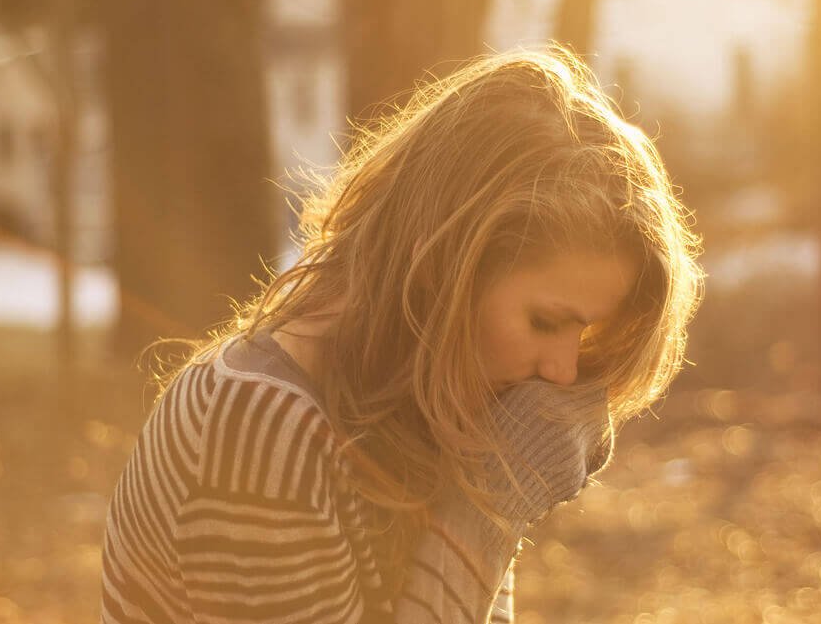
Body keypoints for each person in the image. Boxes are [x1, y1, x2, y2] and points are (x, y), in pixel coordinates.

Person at [100, 46, 703, 624]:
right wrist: (489, 511)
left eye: (584, 331)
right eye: (545, 322)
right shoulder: (261, 426)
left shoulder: (419, 416)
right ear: (443, 266)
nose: (563, 371)